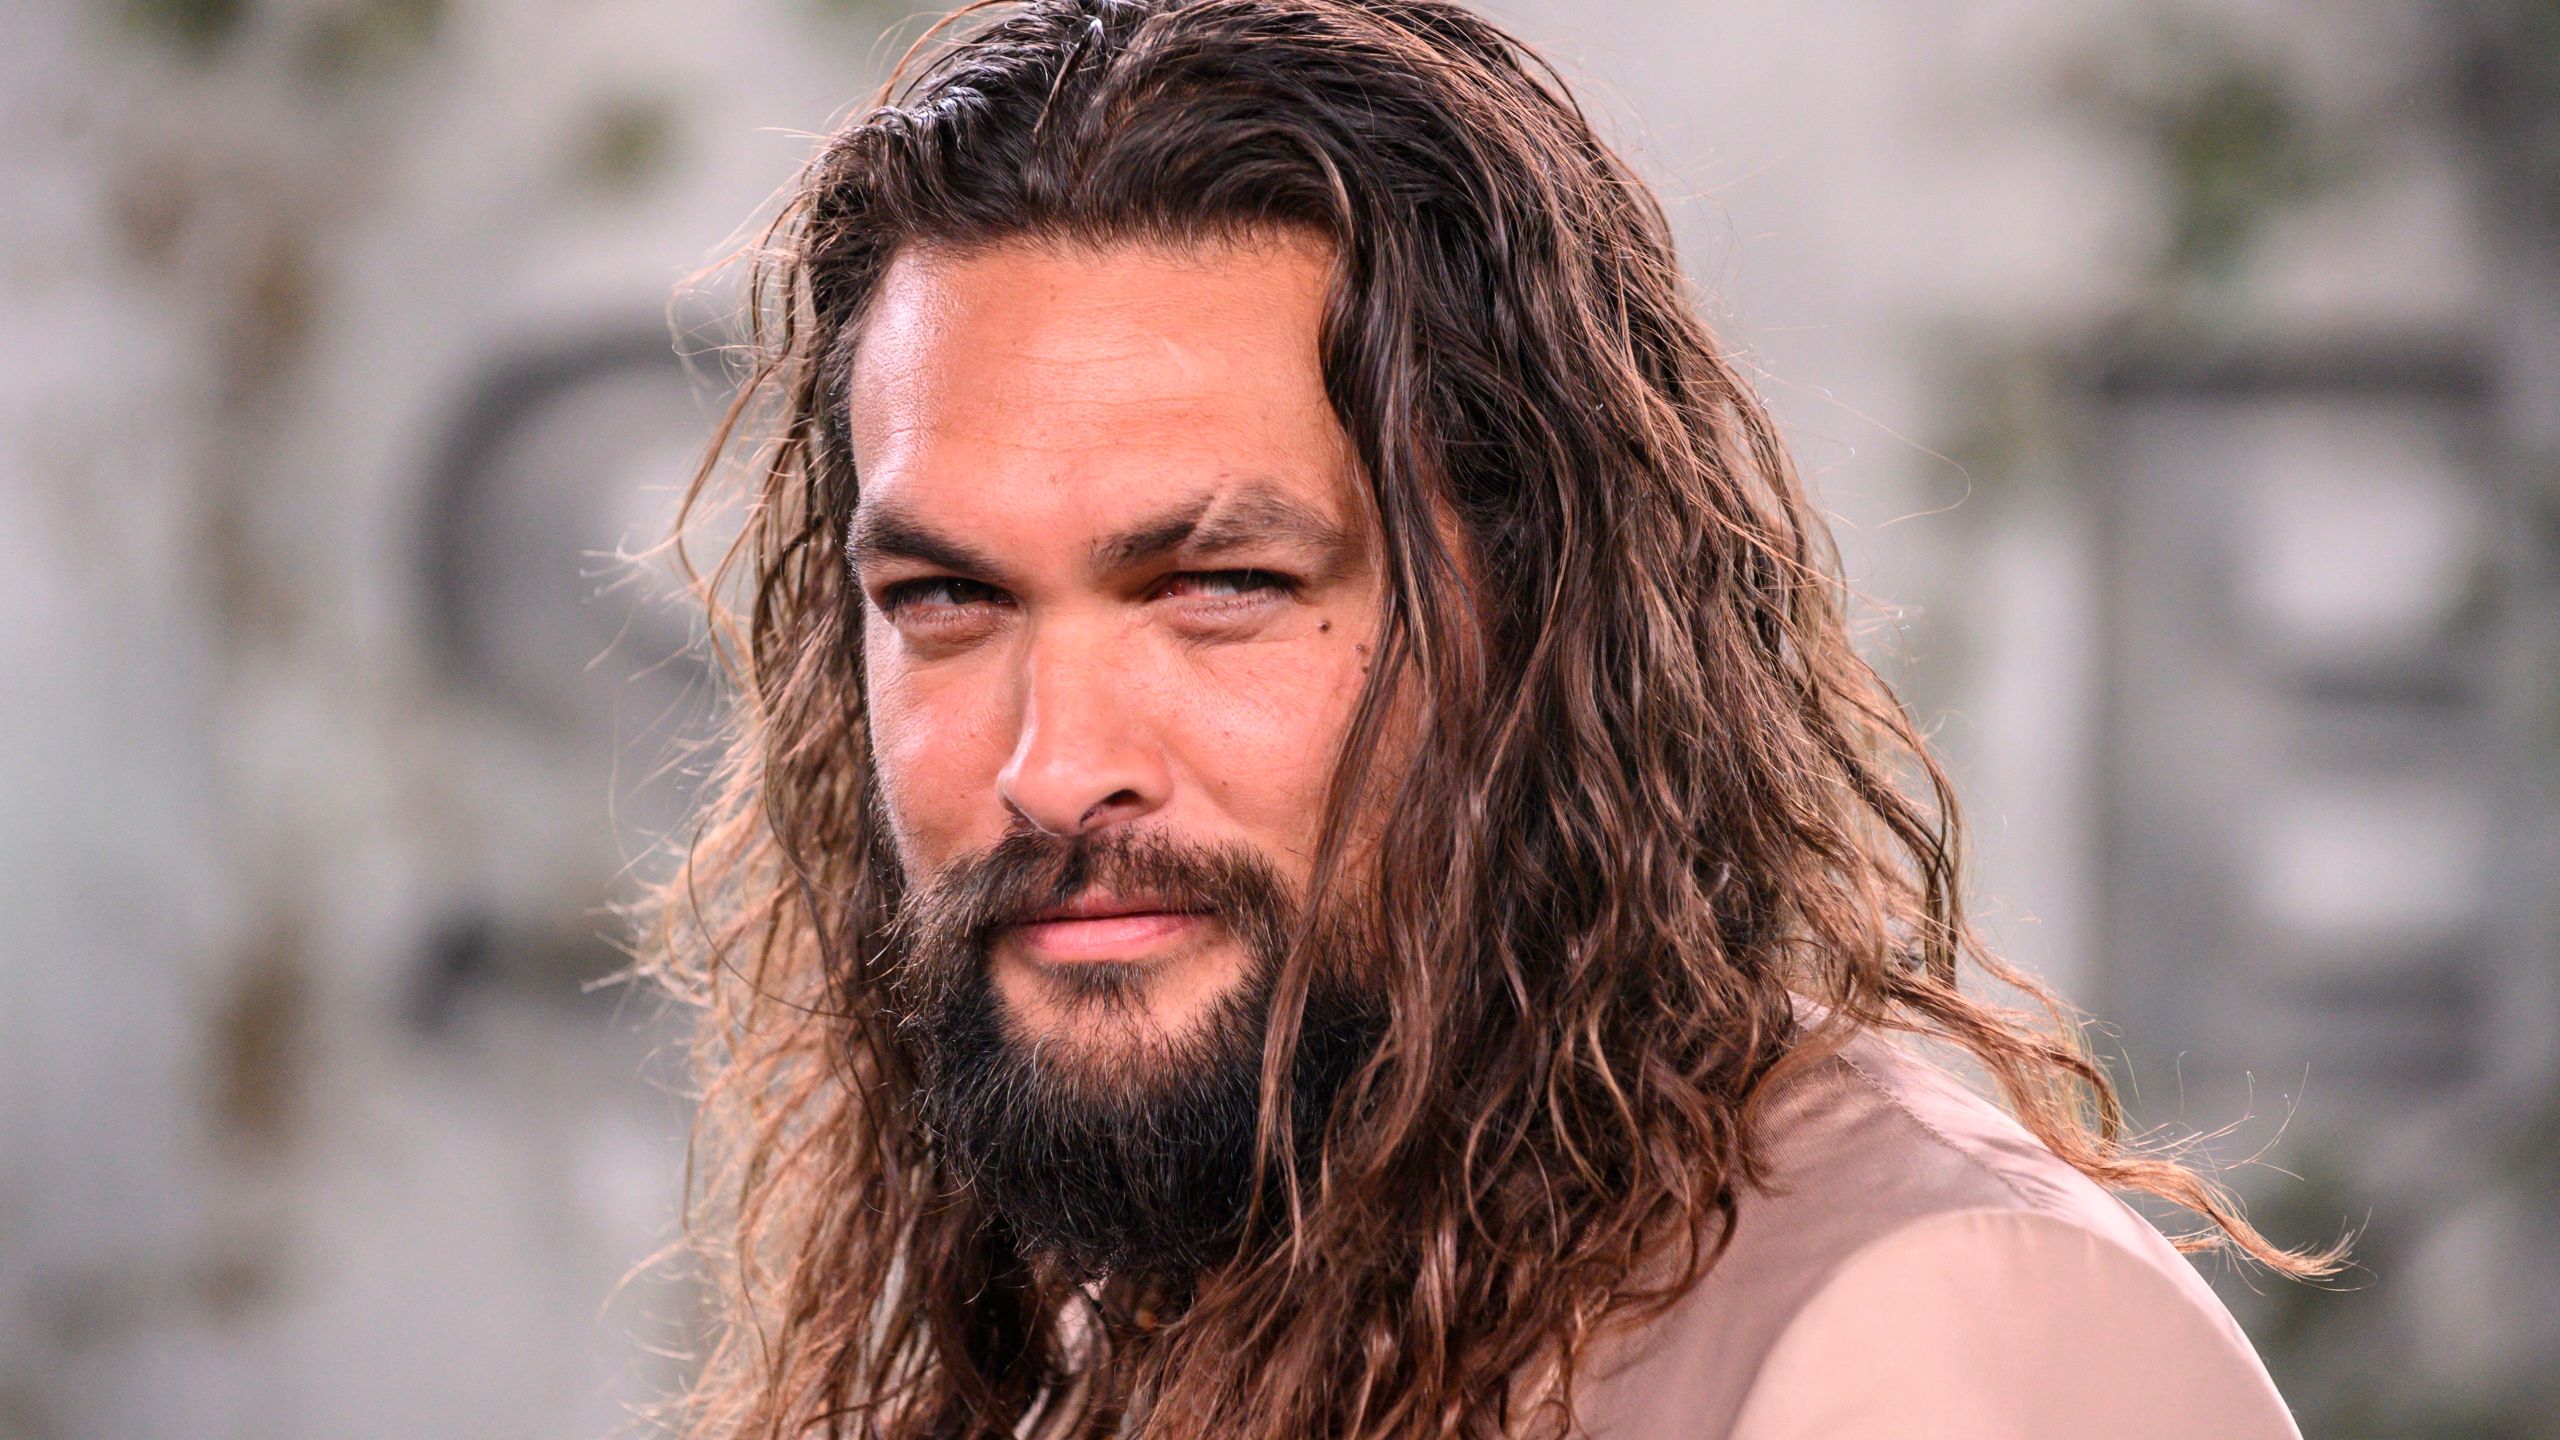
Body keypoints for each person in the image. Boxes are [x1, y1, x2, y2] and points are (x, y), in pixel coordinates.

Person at [642, 2, 2339, 1435]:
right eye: (950, 601)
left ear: (1535, 618)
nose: (1054, 762)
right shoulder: (1138, 1310)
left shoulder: (1931, 1343)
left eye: (1219, 583)